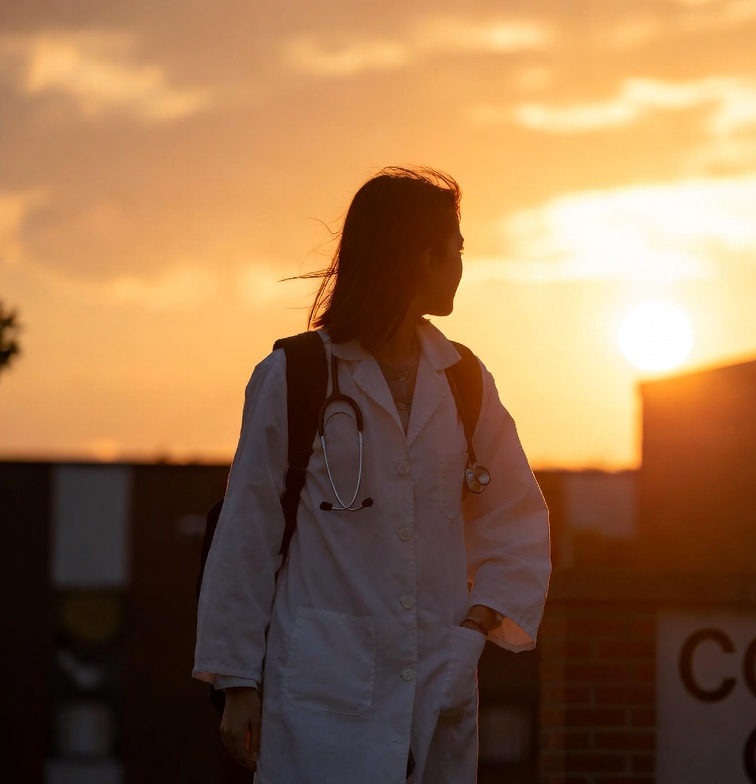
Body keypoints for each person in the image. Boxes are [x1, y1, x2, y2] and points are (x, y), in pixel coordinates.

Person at [193, 167, 551, 783]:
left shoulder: (465, 382)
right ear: (424, 257)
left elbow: (518, 522)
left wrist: (474, 626)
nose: (461, 267)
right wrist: (237, 680)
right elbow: (247, 531)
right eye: (458, 249)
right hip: (318, 693)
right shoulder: (294, 376)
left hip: (436, 684)